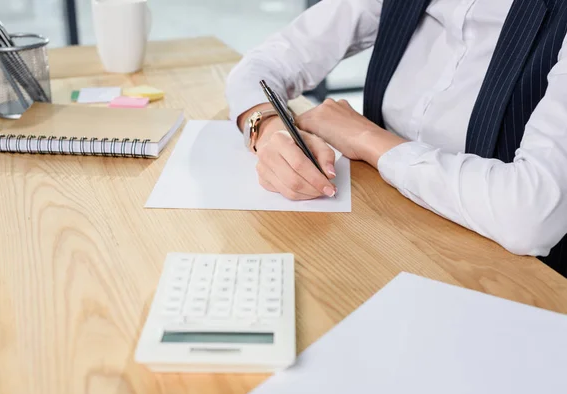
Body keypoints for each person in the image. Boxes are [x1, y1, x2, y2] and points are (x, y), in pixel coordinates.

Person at [226, 0, 567, 275]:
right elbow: (263, 64)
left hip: (510, 277)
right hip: (385, 234)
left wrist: (366, 137)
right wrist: (268, 127)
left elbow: (531, 215)